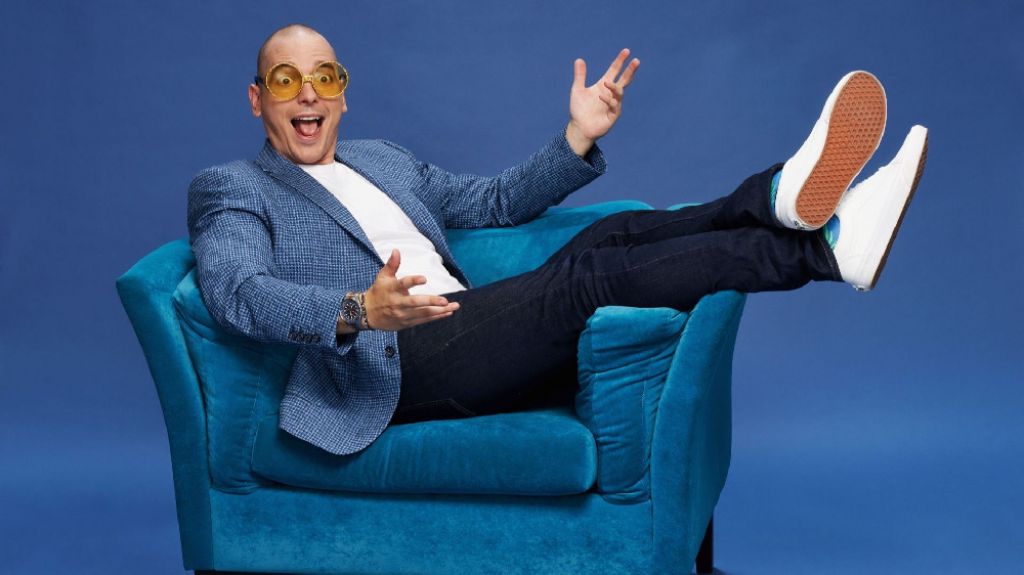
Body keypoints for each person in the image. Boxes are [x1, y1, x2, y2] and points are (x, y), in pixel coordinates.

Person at [188, 24, 927, 456]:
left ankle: (776, 199)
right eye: (285, 81)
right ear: (258, 99)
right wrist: (359, 310)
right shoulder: (232, 187)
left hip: (462, 326)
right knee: (585, 284)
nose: (307, 93)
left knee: (614, 233)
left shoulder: (380, 158)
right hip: (385, 366)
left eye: (323, 77)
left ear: (343, 94)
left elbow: (492, 200)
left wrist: (576, 137)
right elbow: (238, 294)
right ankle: (821, 251)